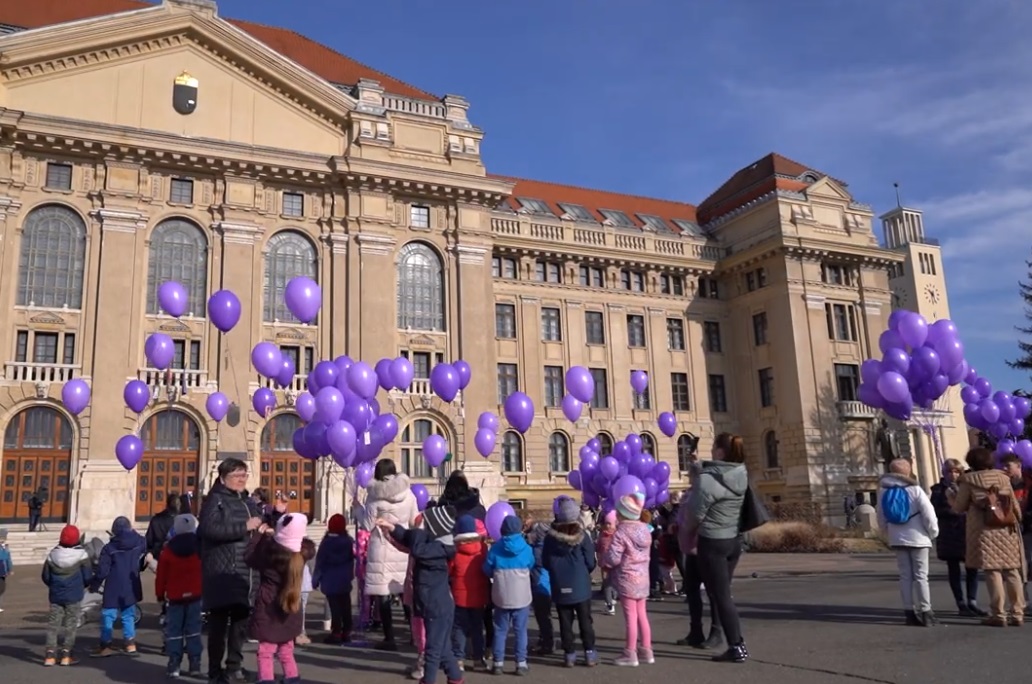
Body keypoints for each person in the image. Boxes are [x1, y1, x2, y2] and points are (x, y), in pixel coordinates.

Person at [378, 505, 464, 684]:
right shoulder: (428, 539)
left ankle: (429, 680)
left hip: (438, 606)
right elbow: (408, 537)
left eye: (426, 519)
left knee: (432, 651)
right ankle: (456, 679)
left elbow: (417, 549)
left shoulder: (439, 548)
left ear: (433, 528)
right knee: (444, 649)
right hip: (433, 603)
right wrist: (392, 527)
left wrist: (418, 529)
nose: (420, 520)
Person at [684, 432, 748, 663]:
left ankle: (737, 646)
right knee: (721, 593)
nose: (711, 451)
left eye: (713, 447)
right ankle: (729, 640)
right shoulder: (740, 473)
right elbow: (716, 472)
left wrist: (685, 537)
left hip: (713, 541)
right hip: (734, 540)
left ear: (720, 451)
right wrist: (696, 464)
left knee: (721, 596)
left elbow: (695, 515)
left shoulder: (708, 481)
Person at [197, 458, 263, 684]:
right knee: (218, 625)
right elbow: (209, 529)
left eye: (244, 475)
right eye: (237, 476)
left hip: (245, 571)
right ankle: (215, 671)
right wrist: (243, 528)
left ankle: (234, 666)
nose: (242, 480)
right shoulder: (215, 500)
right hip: (221, 571)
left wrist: (265, 525)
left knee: (240, 623)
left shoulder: (247, 501)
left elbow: (257, 522)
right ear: (224, 477)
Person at [950, 447, 1027, 627]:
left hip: (983, 530)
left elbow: (959, 508)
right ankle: (1017, 612)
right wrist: (1015, 519)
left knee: (993, 571)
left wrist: (951, 498)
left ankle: (998, 614)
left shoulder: (968, 482)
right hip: (1006, 528)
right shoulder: (1003, 478)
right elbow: (1015, 506)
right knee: (1012, 569)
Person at [363, 459, 419, 651]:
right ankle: (414, 635)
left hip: (381, 547)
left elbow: (367, 524)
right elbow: (414, 520)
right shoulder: (409, 494)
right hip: (402, 545)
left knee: (383, 593)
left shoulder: (373, 496)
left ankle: (390, 637)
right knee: (406, 592)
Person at [246, 513, 308, 684]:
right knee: (286, 649)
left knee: (266, 650)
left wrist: (259, 536)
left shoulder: (270, 557)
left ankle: (266, 679)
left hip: (269, 610)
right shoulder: (300, 556)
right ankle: (292, 678)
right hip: (291, 609)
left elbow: (250, 557)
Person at [877, 458, 940, 627]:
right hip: (918, 537)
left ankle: (909, 612)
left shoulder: (883, 490)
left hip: (897, 537)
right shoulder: (915, 489)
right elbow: (929, 514)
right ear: (908, 470)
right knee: (921, 576)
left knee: (905, 576)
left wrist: (886, 533)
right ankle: (926, 611)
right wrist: (933, 533)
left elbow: (880, 515)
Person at [541, 497, 598, 668]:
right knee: (585, 620)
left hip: (559, 584)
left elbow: (545, 562)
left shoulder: (550, 538)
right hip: (581, 584)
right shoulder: (583, 536)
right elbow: (590, 561)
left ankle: (569, 654)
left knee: (565, 622)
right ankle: (589, 653)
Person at [601, 493, 653, 667]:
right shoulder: (646, 529)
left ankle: (630, 653)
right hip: (643, 576)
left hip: (627, 578)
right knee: (642, 615)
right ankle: (646, 650)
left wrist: (605, 561)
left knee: (630, 617)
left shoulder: (621, 532)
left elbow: (614, 558)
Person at [930, 459, 985, 616]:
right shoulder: (938, 490)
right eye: (949, 471)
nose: (953, 475)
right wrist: (952, 511)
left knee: (972, 567)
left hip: (968, 530)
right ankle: (960, 603)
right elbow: (935, 510)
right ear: (944, 473)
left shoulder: (966, 487)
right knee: (954, 569)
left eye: (956, 472)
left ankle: (972, 601)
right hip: (950, 532)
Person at [483, 515, 534, 676]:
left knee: (500, 630)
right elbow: (531, 564)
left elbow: (486, 569)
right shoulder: (526, 548)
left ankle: (498, 663)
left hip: (501, 595)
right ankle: (521, 663)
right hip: (522, 596)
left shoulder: (496, 549)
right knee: (520, 630)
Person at [676, 469, 721, 650]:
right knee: (692, 591)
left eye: (694, 477)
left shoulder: (708, 494)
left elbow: (701, 517)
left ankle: (717, 632)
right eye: (691, 477)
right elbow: (684, 516)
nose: (691, 480)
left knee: (714, 592)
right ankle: (696, 631)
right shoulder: (689, 494)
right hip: (691, 549)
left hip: (707, 547)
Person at [90, 516, 146, 657]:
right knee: (128, 614)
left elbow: (103, 571)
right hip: (130, 584)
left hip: (113, 584)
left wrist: (94, 584)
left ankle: (106, 643)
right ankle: (130, 643)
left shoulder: (109, 548)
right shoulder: (138, 543)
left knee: (108, 614)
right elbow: (144, 545)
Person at [155, 514, 204, 678]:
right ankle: (195, 663)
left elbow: (161, 575)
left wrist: (160, 594)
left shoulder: (168, 551)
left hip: (175, 596)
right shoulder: (201, 548)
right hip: (196, 594)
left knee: (174, 631)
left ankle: (174, 663)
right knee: (194, 630)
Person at [41, 524, 92, 666]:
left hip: (56, 595)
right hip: (74, 595)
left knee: (53, 624)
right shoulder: (82, 555)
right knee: (70, 625)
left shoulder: (52, 555)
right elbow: (87, 576)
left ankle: (50, 655)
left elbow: (45, 576)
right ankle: (66, 654)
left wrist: (55, 586)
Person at [449, 515, 489, 671]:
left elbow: (450, 570)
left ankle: (458, 658)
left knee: (459, 628)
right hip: (479, 595)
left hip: (460, 596)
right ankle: (478, 658)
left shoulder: (455, 551)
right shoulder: (483, 549)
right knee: (477, 628)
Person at [313, 513, 356, 644]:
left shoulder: (326, 543)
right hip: (344, 578)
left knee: (335, 607)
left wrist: (315, 579)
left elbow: (320, 562)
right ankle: (347, 631)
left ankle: (336, 632)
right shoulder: (348, 541)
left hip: (330, 578)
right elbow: (352, 558)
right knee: (346, 606)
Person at [520, 510, 555, 656]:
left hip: (541, 585)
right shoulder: (544, 548)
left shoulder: (537, 551)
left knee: (543, 617)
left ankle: (547, 643)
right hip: (544, 584)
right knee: (544, 616)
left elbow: (530, 563)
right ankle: (545, 640)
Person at [146, 493, 182, 569]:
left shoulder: (156, 520)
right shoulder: (182, 522)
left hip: (159, 557)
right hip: (177, 558)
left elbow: (149, 541)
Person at [595, 511, 618, 616]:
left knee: (615, 583)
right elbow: (598, 548)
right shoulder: (602, 536)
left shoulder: (617, 536)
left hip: (616, 563)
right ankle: (609, 604)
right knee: (607, 584)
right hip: (605, 563)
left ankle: (613, 598)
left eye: (610, 523)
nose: (608, 526)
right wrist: (599, 557)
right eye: (606, 523)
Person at [296, 538, 316, 647]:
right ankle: (300, 632)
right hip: (304, 585)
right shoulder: (307, 558)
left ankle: (299, 632)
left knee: (296, 610)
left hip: (299, 585)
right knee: (301, 610)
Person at [0, 531, 10, 612]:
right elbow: (2, 557)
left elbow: (7, 560)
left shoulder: (4, 548)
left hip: (3, 572)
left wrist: (10, 569)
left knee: (2, 588)